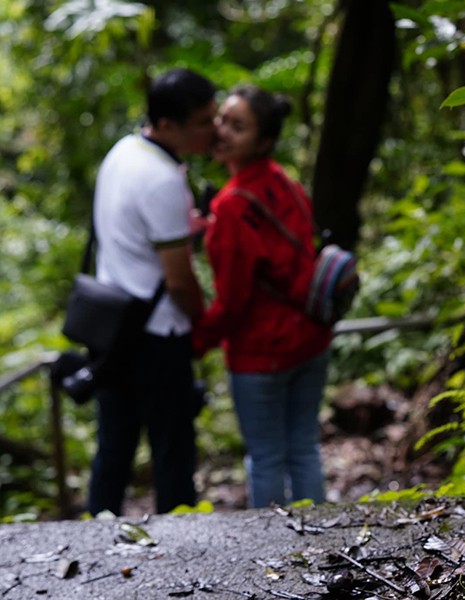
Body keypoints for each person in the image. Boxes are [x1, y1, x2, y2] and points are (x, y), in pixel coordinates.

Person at [193, 84, 332, 507]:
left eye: (237, 126)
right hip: (311, 338)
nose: (222, 132)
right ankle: (323, 549)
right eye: (222, 121)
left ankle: (276, 564)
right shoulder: (285, 183)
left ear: (264, 140)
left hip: (260, 353)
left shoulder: (233, 206)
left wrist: (195, 341)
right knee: (304, 449)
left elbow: (233, 300)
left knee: (267, 458)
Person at [88, 67, 217, 516]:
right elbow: (180, 280)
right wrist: (203, 324)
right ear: (167, 126)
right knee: (173, 452)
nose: (213, 130)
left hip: (113, 327)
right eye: (203, 121)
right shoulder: (163, 177)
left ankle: (93, 540)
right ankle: (178, 557)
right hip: (158, 335)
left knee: (113, 448)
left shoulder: (123, 151)